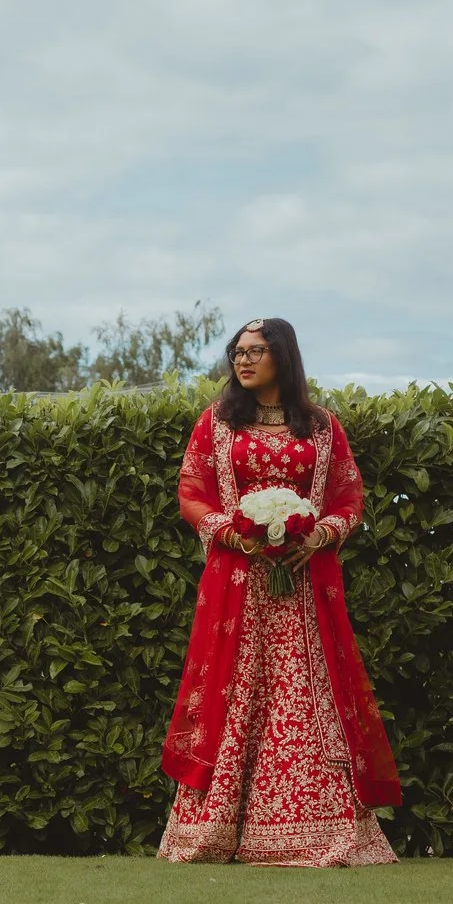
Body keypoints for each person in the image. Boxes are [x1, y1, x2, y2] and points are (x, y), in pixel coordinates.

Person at [159, 317, 402, 865]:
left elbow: (348, 497)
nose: (243, 361)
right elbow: (191, 493)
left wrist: (317, 534)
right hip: (236, 589)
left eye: (256, 351)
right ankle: (212, 833)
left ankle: (323, 835)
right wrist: (233, 533)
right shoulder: (216, 425)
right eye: (237, 353)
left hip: (302, 589)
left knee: (304, 698)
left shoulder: (320, 428)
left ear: (283, 357)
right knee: (235, 694)